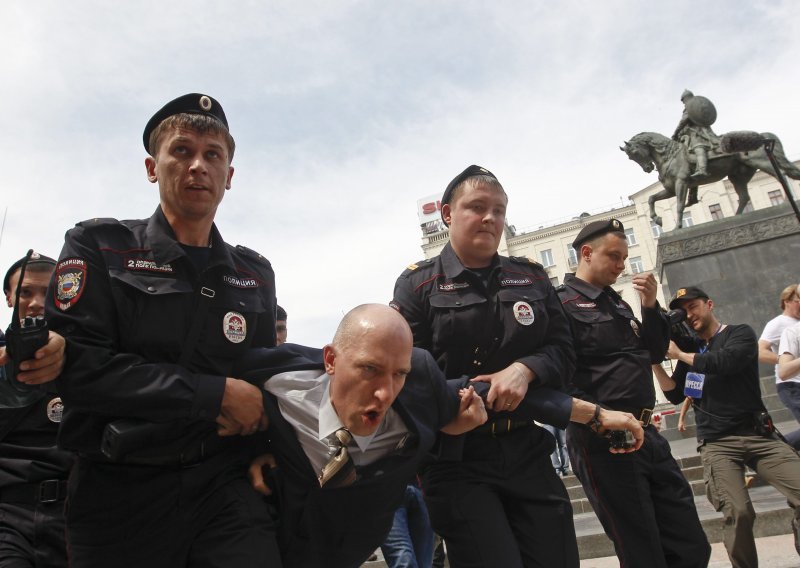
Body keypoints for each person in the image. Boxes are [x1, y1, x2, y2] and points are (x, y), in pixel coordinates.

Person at [45, 93, 280, 567]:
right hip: (119, 490)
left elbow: (260, 375)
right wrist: (211, 394)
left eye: (213, 155)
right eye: (182, 151)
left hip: (222, 487)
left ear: (229, 177)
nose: (198, 166)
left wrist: (265, 449)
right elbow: (82, 369)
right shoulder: (98, 247)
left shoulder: (253, 273)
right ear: (153, 167)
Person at [391, 165, 645, 568]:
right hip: (458, 457)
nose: (490, 218)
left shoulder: (529, 276)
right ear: (446, 214)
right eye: (477, 207)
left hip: (526, 448)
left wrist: (525, 369)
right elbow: (411, 379)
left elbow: (563, 352)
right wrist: (493, 390)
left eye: (499, 209)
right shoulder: (418, 285)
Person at [240, 304, 487, 567]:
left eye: (399, 374)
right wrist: (249, 450)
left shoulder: (421, 385)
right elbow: (217, 394)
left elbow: (477, 392)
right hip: (269, 541)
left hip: (354, 546)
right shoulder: (281, 377)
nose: (386, 393)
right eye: (370, 369)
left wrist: (521, 372)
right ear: (331, 361)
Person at [556, 219, 710, 568]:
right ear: (586, 253)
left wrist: (650, 305)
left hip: (648, 433)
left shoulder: (617, 303)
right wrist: (599, 421)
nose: (622, 265)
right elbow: (559, 379)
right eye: (614, 256)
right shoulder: (559, 305)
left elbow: (654, 353)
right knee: (643, 553)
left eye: (625, 258)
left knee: (691, 545)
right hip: (606, 440)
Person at [653, 286, 800, 568]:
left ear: (709, 304)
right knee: (738, 512)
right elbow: (674, 393)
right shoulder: (693, 349)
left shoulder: (739, 334)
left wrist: (680, 356)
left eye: (693, 306)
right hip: (717, 443)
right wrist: (655, 362)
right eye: (683, 311)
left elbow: (725, 362)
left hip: (759, 434)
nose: (689, 315)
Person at [1, 252, 70, 568]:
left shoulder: (89, 359)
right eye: (26, 291)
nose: (36, 302)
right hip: (8, 514)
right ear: (9, 298)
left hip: (77, 517)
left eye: (48, 292)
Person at [759, 284, 800, 421]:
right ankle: (785, 442)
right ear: (786, 301)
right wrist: (785, 361)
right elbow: (760, 350)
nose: (799, 304)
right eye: (797, 301)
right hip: (791, 384)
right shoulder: (777, 323)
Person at [672, 89, 719, 179]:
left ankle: (702, 169)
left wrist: (675, 133)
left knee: (698, 148)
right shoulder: (696, 105)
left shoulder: (691, 107)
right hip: (694, 133)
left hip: (699, 133)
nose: (683, 103)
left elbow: (683, 121)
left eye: (683, 101)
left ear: (685, 99)